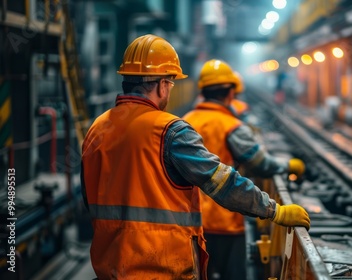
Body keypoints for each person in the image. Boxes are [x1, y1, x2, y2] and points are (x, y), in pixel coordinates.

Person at [80, 34, 310, 280]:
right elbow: (222, 182)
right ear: (162, 84)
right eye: (171, 83)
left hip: (110, 269)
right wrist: (274, 211)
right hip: (162, 268)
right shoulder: (169, 130)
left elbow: (89, 196)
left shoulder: (97, 128)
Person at [183, 59, 307, 280]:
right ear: (231, 93)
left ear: (201, 90)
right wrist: (288, 165)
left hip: (190, 222)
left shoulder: (183, 122)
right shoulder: (232, 126)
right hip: (226, 218)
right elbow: (260, 163)